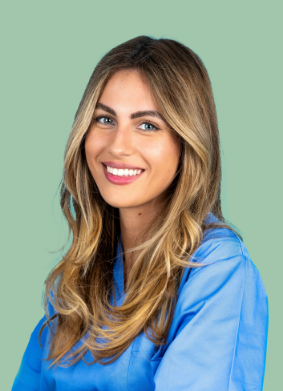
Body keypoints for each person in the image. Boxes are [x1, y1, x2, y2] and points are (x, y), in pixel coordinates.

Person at [12, 36, 268, 391]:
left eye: (147, 125)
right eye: (104, 119)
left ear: (187, 142)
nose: (117, 145)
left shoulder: (217, 271)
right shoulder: (77, 280)